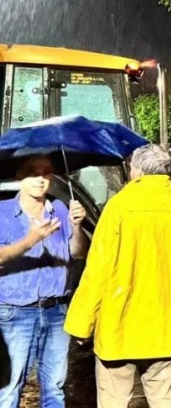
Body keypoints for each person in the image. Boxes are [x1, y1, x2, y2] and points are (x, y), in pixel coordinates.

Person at [64, 144, 171, 408]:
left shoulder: (119, 206)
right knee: (165, 401)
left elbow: (98, 270)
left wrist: (80, 324)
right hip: (167, 329)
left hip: (119, 328)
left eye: (131, 167)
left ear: (139, 170)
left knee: (113, 401)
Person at [0, 154, 87, 408]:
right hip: (15, 312)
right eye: (32, 172)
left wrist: (77, 227)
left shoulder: (60, 209)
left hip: (56, 311)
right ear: (19, 176)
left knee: (55, 389)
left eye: (46, 172)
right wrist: (31, 239)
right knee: (9, 390)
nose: (40, 179)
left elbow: (78, 253)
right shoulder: (3, 212)